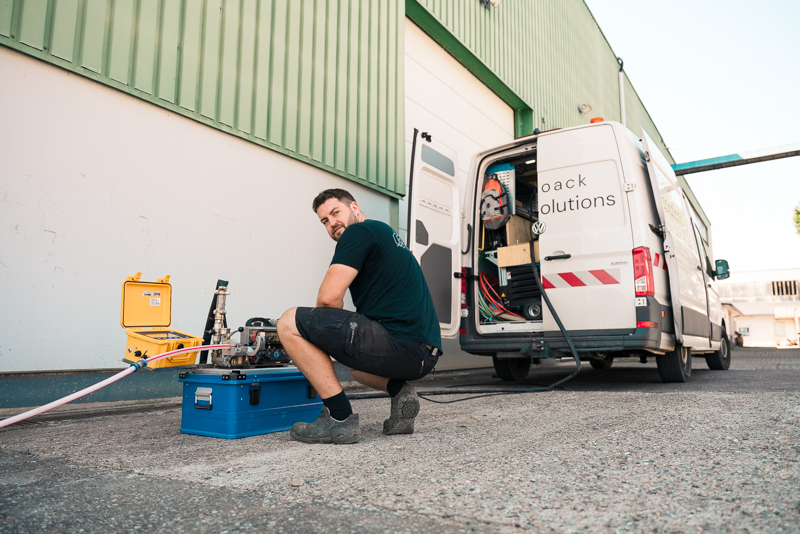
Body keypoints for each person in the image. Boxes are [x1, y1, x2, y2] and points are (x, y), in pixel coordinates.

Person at [277, 188, 442, 444]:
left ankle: (339, 418)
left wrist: (323, 333)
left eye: (336, 213)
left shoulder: (358, 231)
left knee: (289, 322)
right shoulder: (383, 232)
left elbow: (328, 299)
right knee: (356, 369)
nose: (332, 223)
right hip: (424, 356)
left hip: (400, 344)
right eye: (325, 221)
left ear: (354, 208)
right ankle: (400, 391)